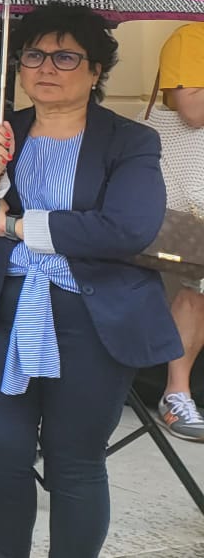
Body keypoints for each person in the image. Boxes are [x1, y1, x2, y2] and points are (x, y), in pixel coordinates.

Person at [0, 3, 181, 558]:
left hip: (91, 317)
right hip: (2, 310)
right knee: (0, 455)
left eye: (65, 56)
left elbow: (127, 229)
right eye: (33, 54)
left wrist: (14, 225)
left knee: (74, 461)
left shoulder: (131, 140)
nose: (45, 67)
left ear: (96, 70)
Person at [152, 23, 204, 441]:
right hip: (187, 205)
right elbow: (192, 110)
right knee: (197, 278)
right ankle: (177, 392)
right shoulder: (193, 38)